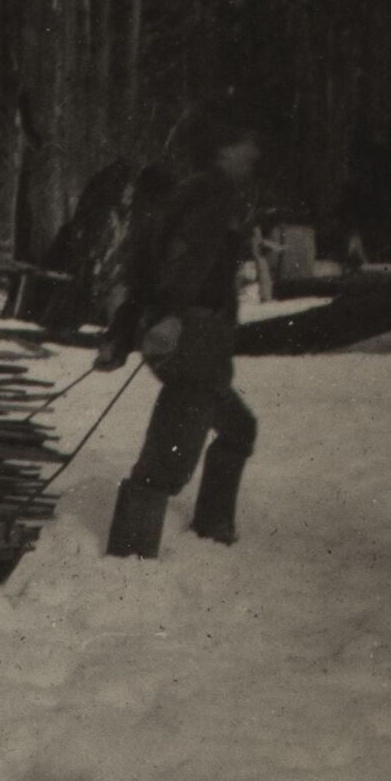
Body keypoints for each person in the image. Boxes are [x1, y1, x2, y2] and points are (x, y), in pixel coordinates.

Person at [106, 109, 261, 558]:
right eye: (246, 145)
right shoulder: (214, 192)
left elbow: (142, 262)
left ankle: (213, 530)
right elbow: (188, 260)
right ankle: (129, 557)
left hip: (189, 330)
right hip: (193, 332)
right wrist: (171, 315)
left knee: (238, 427)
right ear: (223, 150)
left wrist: (123, 332)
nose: (255, 154)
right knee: (170, 453)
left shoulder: (184, 192)